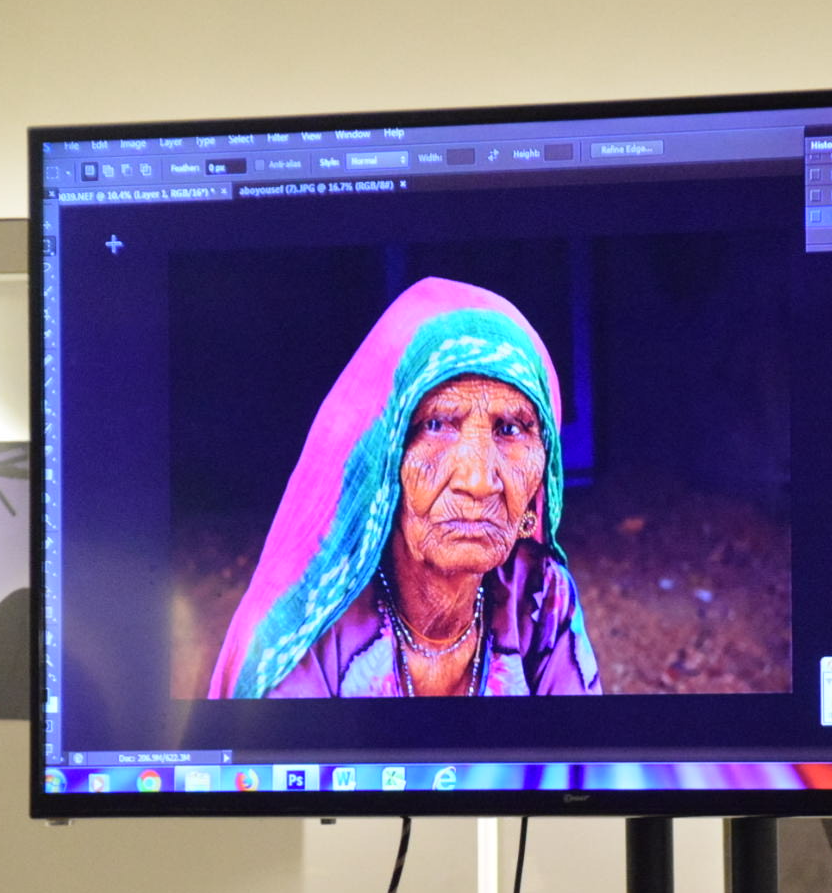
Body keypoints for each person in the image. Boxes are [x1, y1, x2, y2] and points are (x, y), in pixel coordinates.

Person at [207, 276, 600, 698]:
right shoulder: (303, 635)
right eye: (436, 425)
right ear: (385, 461)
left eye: (510, 429)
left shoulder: (539, 595)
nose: (478, 482)